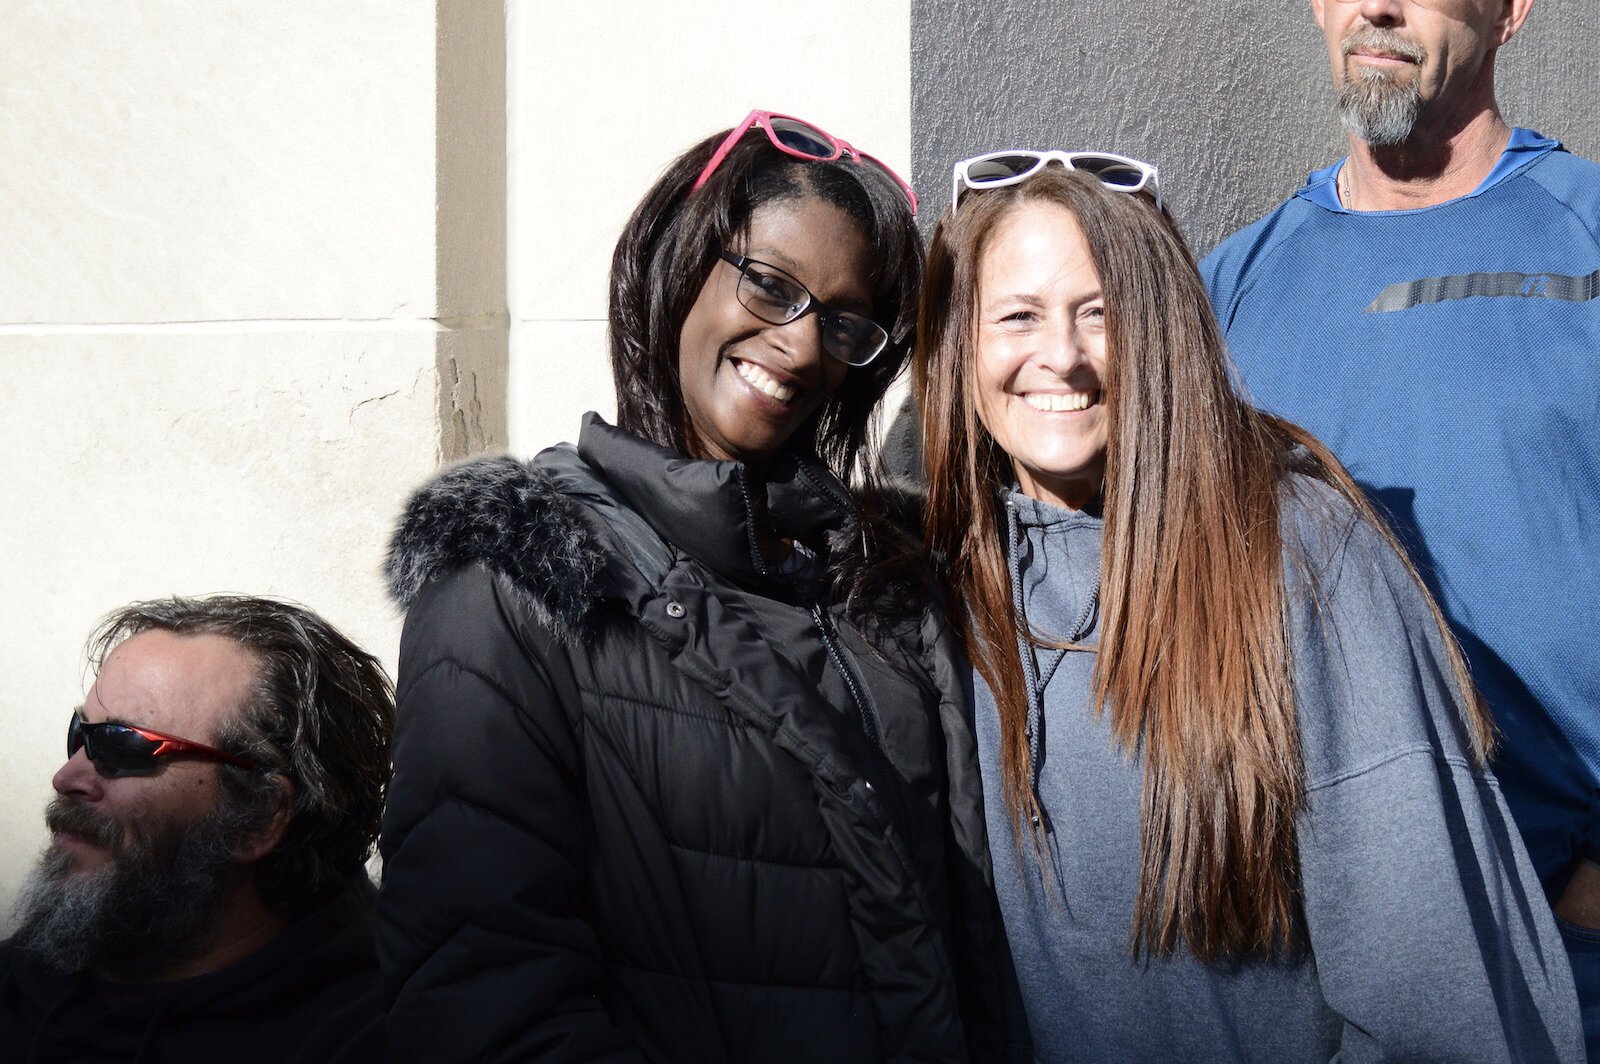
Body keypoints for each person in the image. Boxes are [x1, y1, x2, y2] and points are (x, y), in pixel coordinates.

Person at [915, 151, 1581, 1060]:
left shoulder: (1298, 556)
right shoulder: (940, 581)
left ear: (1164, 331)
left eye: (1100, 314)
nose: (1061, 356)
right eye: (1019, 316)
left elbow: (1437, 996)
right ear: (962, 345)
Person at [380, 110, 1008, 1063]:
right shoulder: (513, 583)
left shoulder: (879, 586)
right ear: (679, 261)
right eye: (770, 284)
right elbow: (482, 996)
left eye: (843, 322)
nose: (801, 350)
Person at [1201, 0, 1600, 1049]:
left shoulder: (1586, 232)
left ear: (1510, 12)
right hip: (1322, 963)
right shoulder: (1230, 289)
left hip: (1575, 948)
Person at [0, 595, 394, 1064]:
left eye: (123, 745)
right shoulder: (19, 986)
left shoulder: (375, 1038)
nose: (66, 779)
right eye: (80, 735)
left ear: (260, 816)